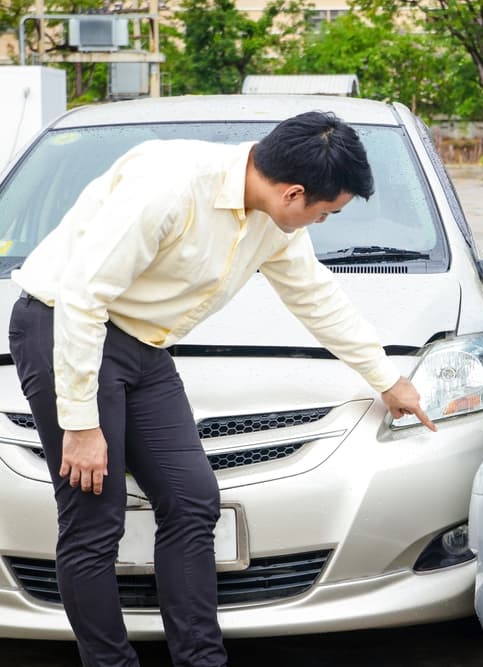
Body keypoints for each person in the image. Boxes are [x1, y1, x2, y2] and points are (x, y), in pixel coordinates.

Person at [7, 111, 435, 667]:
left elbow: (315, 298)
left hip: (142, 345)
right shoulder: (169, 187)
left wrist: (389, 379)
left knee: (192, 500)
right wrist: (82, 422)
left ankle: (201, 661)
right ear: (294, 192)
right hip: (62, 326)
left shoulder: (274, 222)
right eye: (325, 214)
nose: (319, 224)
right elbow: (84, 298)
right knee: (94, 515)